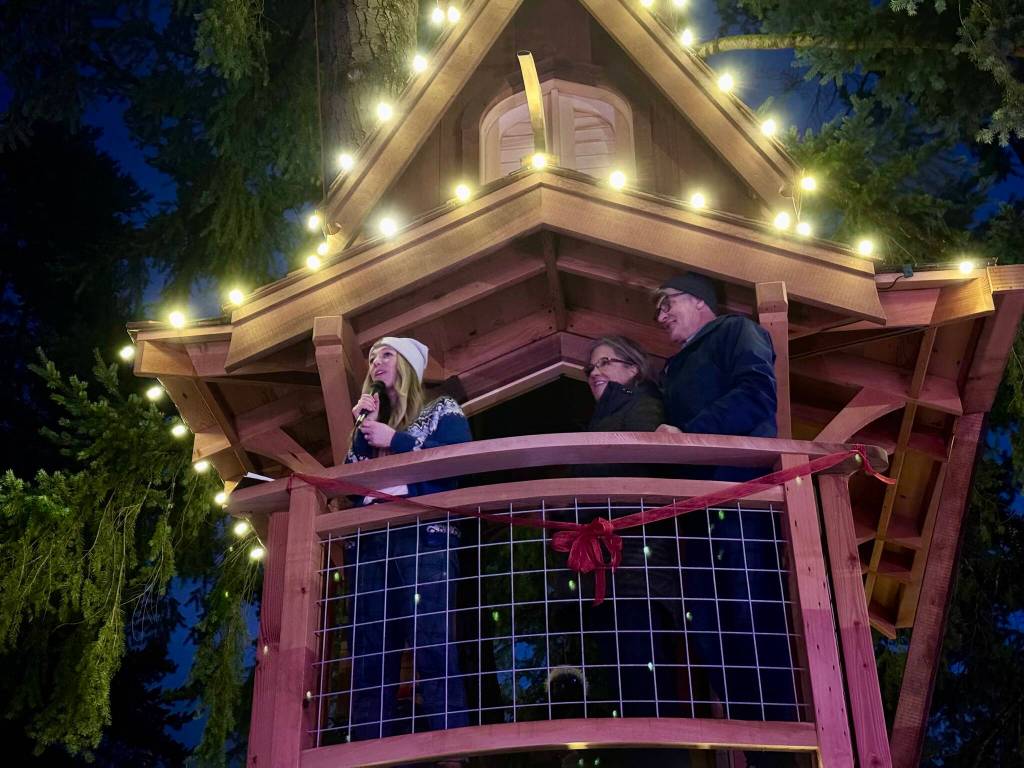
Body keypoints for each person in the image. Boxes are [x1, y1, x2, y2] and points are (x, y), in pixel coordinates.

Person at [654, 274, 795, 767]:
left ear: (699, 300)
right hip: (693, 512)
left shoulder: (738, 331)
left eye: (668, 302)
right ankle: (755, 749)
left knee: (751, 614)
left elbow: (758, 395)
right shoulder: (671, 370)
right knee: (710, 629)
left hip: (740, 496)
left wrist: (688, 435)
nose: (661, 314)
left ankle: (782, 750)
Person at [342, 336, 471, 745]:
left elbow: (460, 459)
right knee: (369, 649)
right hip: (370, 542)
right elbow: (350, 489)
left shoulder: (441, 409)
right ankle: (369, 747)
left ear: (409, 364)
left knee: (431, 641)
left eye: (385, 354)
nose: (374, 362)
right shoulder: (369, 420)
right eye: (371, 358)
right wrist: (362, 434)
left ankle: (451, 749)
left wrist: (394, 439)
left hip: (423, 536)